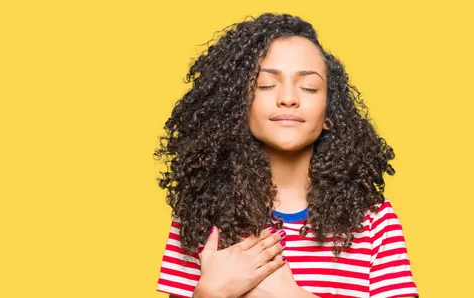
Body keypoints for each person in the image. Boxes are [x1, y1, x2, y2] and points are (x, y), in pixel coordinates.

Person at [153, 12, 419, 298]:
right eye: (266, 85)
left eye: (309, 87)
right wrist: (210, 294)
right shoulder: (200, 215)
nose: (288, 98)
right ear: (237, 105)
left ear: (330, 113)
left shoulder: (374, 221)